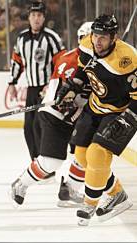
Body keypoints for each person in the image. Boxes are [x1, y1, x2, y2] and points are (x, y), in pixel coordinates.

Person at [62, 14, 136, 225]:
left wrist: (128, 118)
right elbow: (83, 71)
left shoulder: (127, 60)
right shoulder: (87, 44)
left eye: (103, 37)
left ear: (114, 37)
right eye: (96, 35)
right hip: (95, 107)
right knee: (82, 155)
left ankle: (90, 204)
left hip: (120, 112)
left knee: (97, 153)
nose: (98, 41)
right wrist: (71, 86)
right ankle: (117, 194)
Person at [9, 21, 93, 208]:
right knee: (51, 162)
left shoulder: (96, 62)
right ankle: (20, 185)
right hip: (57, 116)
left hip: (74, 117)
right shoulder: (71, 60)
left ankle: (69, 190)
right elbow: (61, 99)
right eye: (88, 39)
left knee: (88, 153)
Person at [7, 1, 64, 160]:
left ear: (44, 18)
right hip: (32, 89)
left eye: (39, 15)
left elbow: (62, 63)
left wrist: (51, 84)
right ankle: (36, 161)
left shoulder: (51, 37)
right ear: (29, 17)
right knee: (28, 128)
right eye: (33, 15)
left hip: (47, 89)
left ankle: (46, 162)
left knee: (41, 126)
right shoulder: (22, 38)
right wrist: (12, 82)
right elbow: (17, 61)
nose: (36, 18)